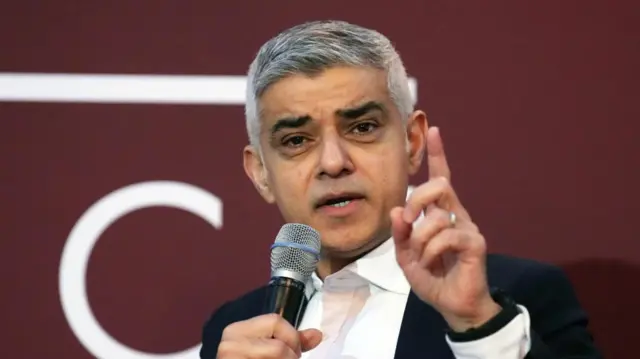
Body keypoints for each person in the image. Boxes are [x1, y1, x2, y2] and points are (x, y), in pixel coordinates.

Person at [199, 20, 602, 359]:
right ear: (261, 174)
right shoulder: (234, 330)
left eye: (362, 128)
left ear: (412, 142)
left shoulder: (513, 299)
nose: (333, 162)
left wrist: (478, 325)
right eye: (296, 140)